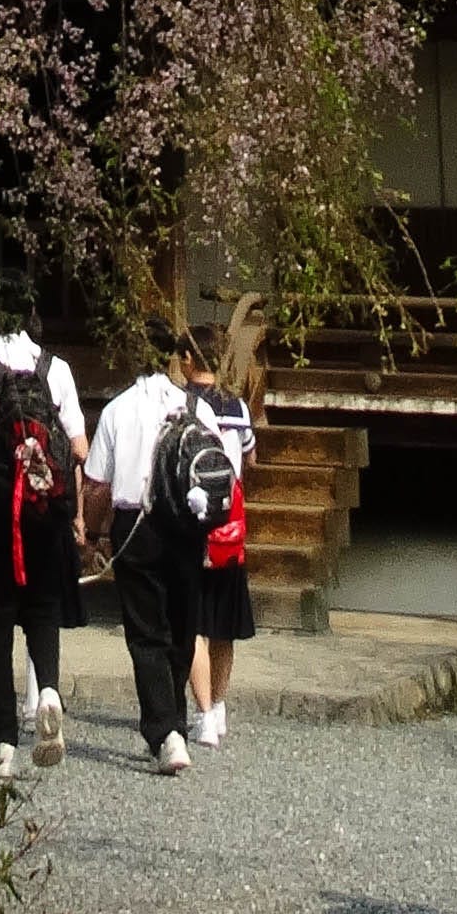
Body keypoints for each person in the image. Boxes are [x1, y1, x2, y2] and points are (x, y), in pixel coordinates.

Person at [0, 283, 86, 780]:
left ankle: (2, 744)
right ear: (29, 313)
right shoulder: (56, 369)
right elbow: (80, 448)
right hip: (45, 510)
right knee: (43, 608)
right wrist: (76, 514)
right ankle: (47, 689)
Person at [85, 322, 229, 776]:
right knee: (182, 626)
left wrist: (91, 533)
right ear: (173, 355)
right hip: (187, 526)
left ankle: (166, 731)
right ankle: (176, 725)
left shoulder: (118, 409)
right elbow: (222, 472)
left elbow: (97, 485)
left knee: (146, 632)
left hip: (137, 525)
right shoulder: (196, 409)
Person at [183, 306, 263, 747]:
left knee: (193, 620)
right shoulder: (236, 407)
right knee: (225, 623)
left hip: (191, 520)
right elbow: (249, 457)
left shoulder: (179, 404)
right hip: (229, 520)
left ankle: (202, 714)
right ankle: (220, 705)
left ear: (188, 361)